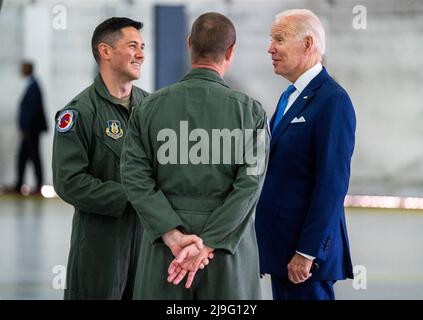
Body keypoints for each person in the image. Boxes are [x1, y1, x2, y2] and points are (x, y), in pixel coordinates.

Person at [121, 12, 269, 299]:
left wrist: (172, 234)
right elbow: (250, 186)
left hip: (166, 253)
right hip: (228, 253)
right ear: (231, 51)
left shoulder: (148, 109)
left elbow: (134, 176)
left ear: (189, 44)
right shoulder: (251, 112)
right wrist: (208, 244)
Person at [255, 9, 356, 300]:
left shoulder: (333, 100)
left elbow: (332, 183)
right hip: (281, 251)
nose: (270, 48)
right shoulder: (289, 96)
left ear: (308, 44)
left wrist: (307, 250)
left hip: (304, 259)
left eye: (279, 39)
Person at [52, 17, 149, 300]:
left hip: (146, 245)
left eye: (142, 46)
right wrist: (132, 195)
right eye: (133, 46)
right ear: (105, 51)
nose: (141, 54)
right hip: (99, 248)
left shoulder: (151, 107)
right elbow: (69, 181)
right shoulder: (78, 113)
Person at [14, 61, 48, 194]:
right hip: (30, 130)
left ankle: (37, 184)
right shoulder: (31, 84)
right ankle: (20, 184)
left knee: (33, 157)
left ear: (29, 69)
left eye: (23, 67)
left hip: (31, 130)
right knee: (25, 157)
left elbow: (32, 110)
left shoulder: (34, 86)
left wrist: (26, 128)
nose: (21, 70)